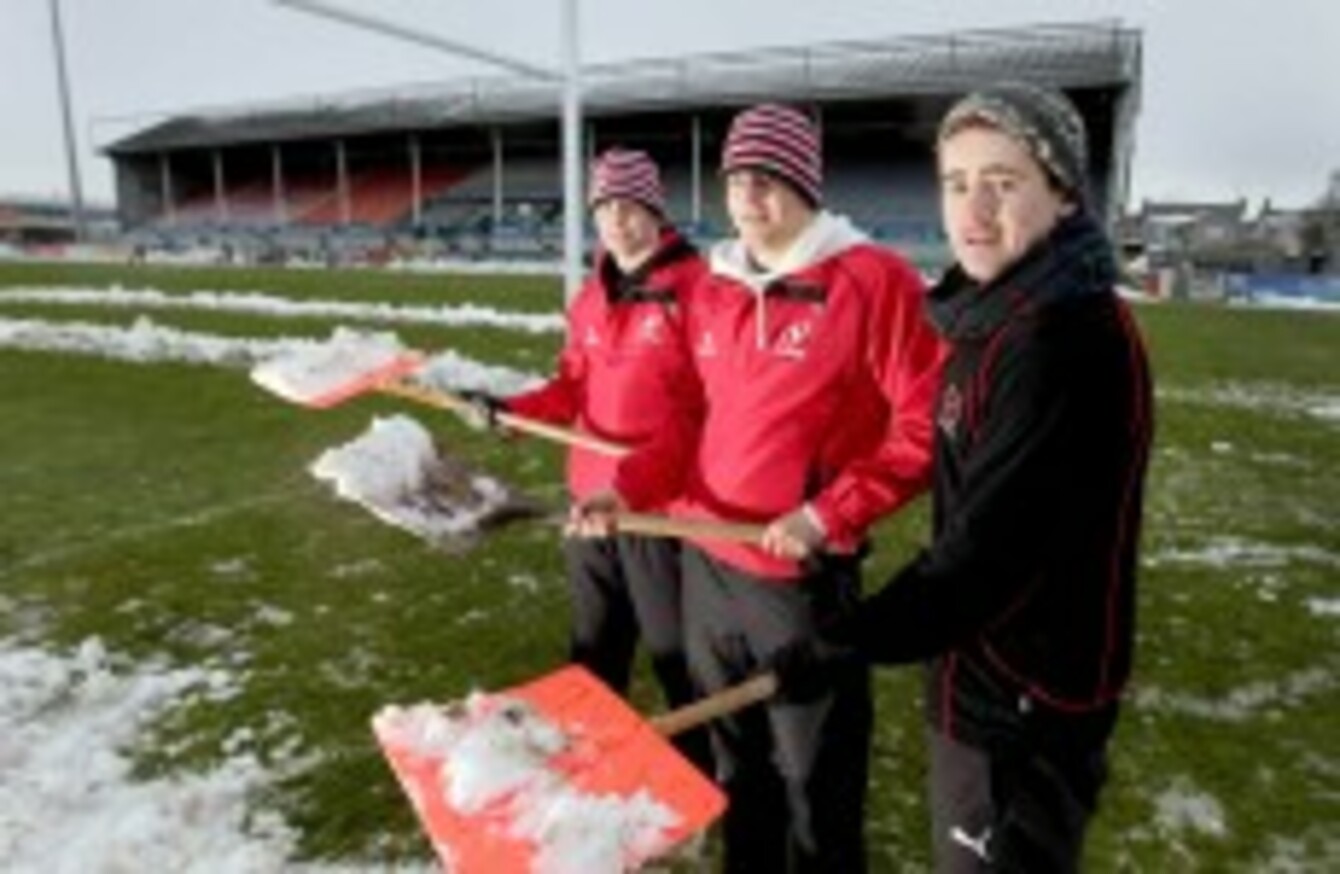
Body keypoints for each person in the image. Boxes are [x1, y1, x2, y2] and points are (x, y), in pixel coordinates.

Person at [769, 83, 1155, 872]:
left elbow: (988, 556)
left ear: (1063, 193)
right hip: (977, 668)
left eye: (1002, 183)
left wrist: (845, 641)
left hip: (1025, 693)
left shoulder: (1059, 343)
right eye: (956, 183)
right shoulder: (996, 313)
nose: (973, 210)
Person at [575, 104, 943, 873]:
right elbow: (691, 420)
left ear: (807, 186)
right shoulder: (715, 286)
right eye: (738, 178)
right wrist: (627, 489)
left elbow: (923, 428)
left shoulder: (873, 281)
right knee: (737, 768)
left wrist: (828, 513)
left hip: (797, 581)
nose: (749, 194)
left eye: (769, 178)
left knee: (816, 779)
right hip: (707, 567)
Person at [462, 147, 713, 776]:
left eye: (630, 207)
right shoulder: (589, 296)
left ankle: (702, 776)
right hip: (589, 506)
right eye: (605, 209)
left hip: (660, 509)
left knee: (676, 656)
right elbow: (571, 386)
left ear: (656, 211)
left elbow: (700, 412)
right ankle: (589, 772)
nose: (617, 222)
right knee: (595, 650)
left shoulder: (699, 290)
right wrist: (511, 410)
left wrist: (635, 483)